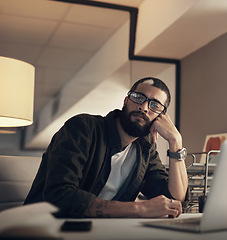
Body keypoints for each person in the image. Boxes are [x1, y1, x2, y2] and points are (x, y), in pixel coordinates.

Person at [24, 77, 188, 218]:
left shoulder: (145, 149)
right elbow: (59, 196)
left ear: (161, 116)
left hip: (99, 231)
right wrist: (140, 208)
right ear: (125, 101)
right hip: (45, 228)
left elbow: (174, 198)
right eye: (138, 97)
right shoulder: (83, 128)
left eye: (154, 106)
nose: (144, 107)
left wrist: (176, 141)